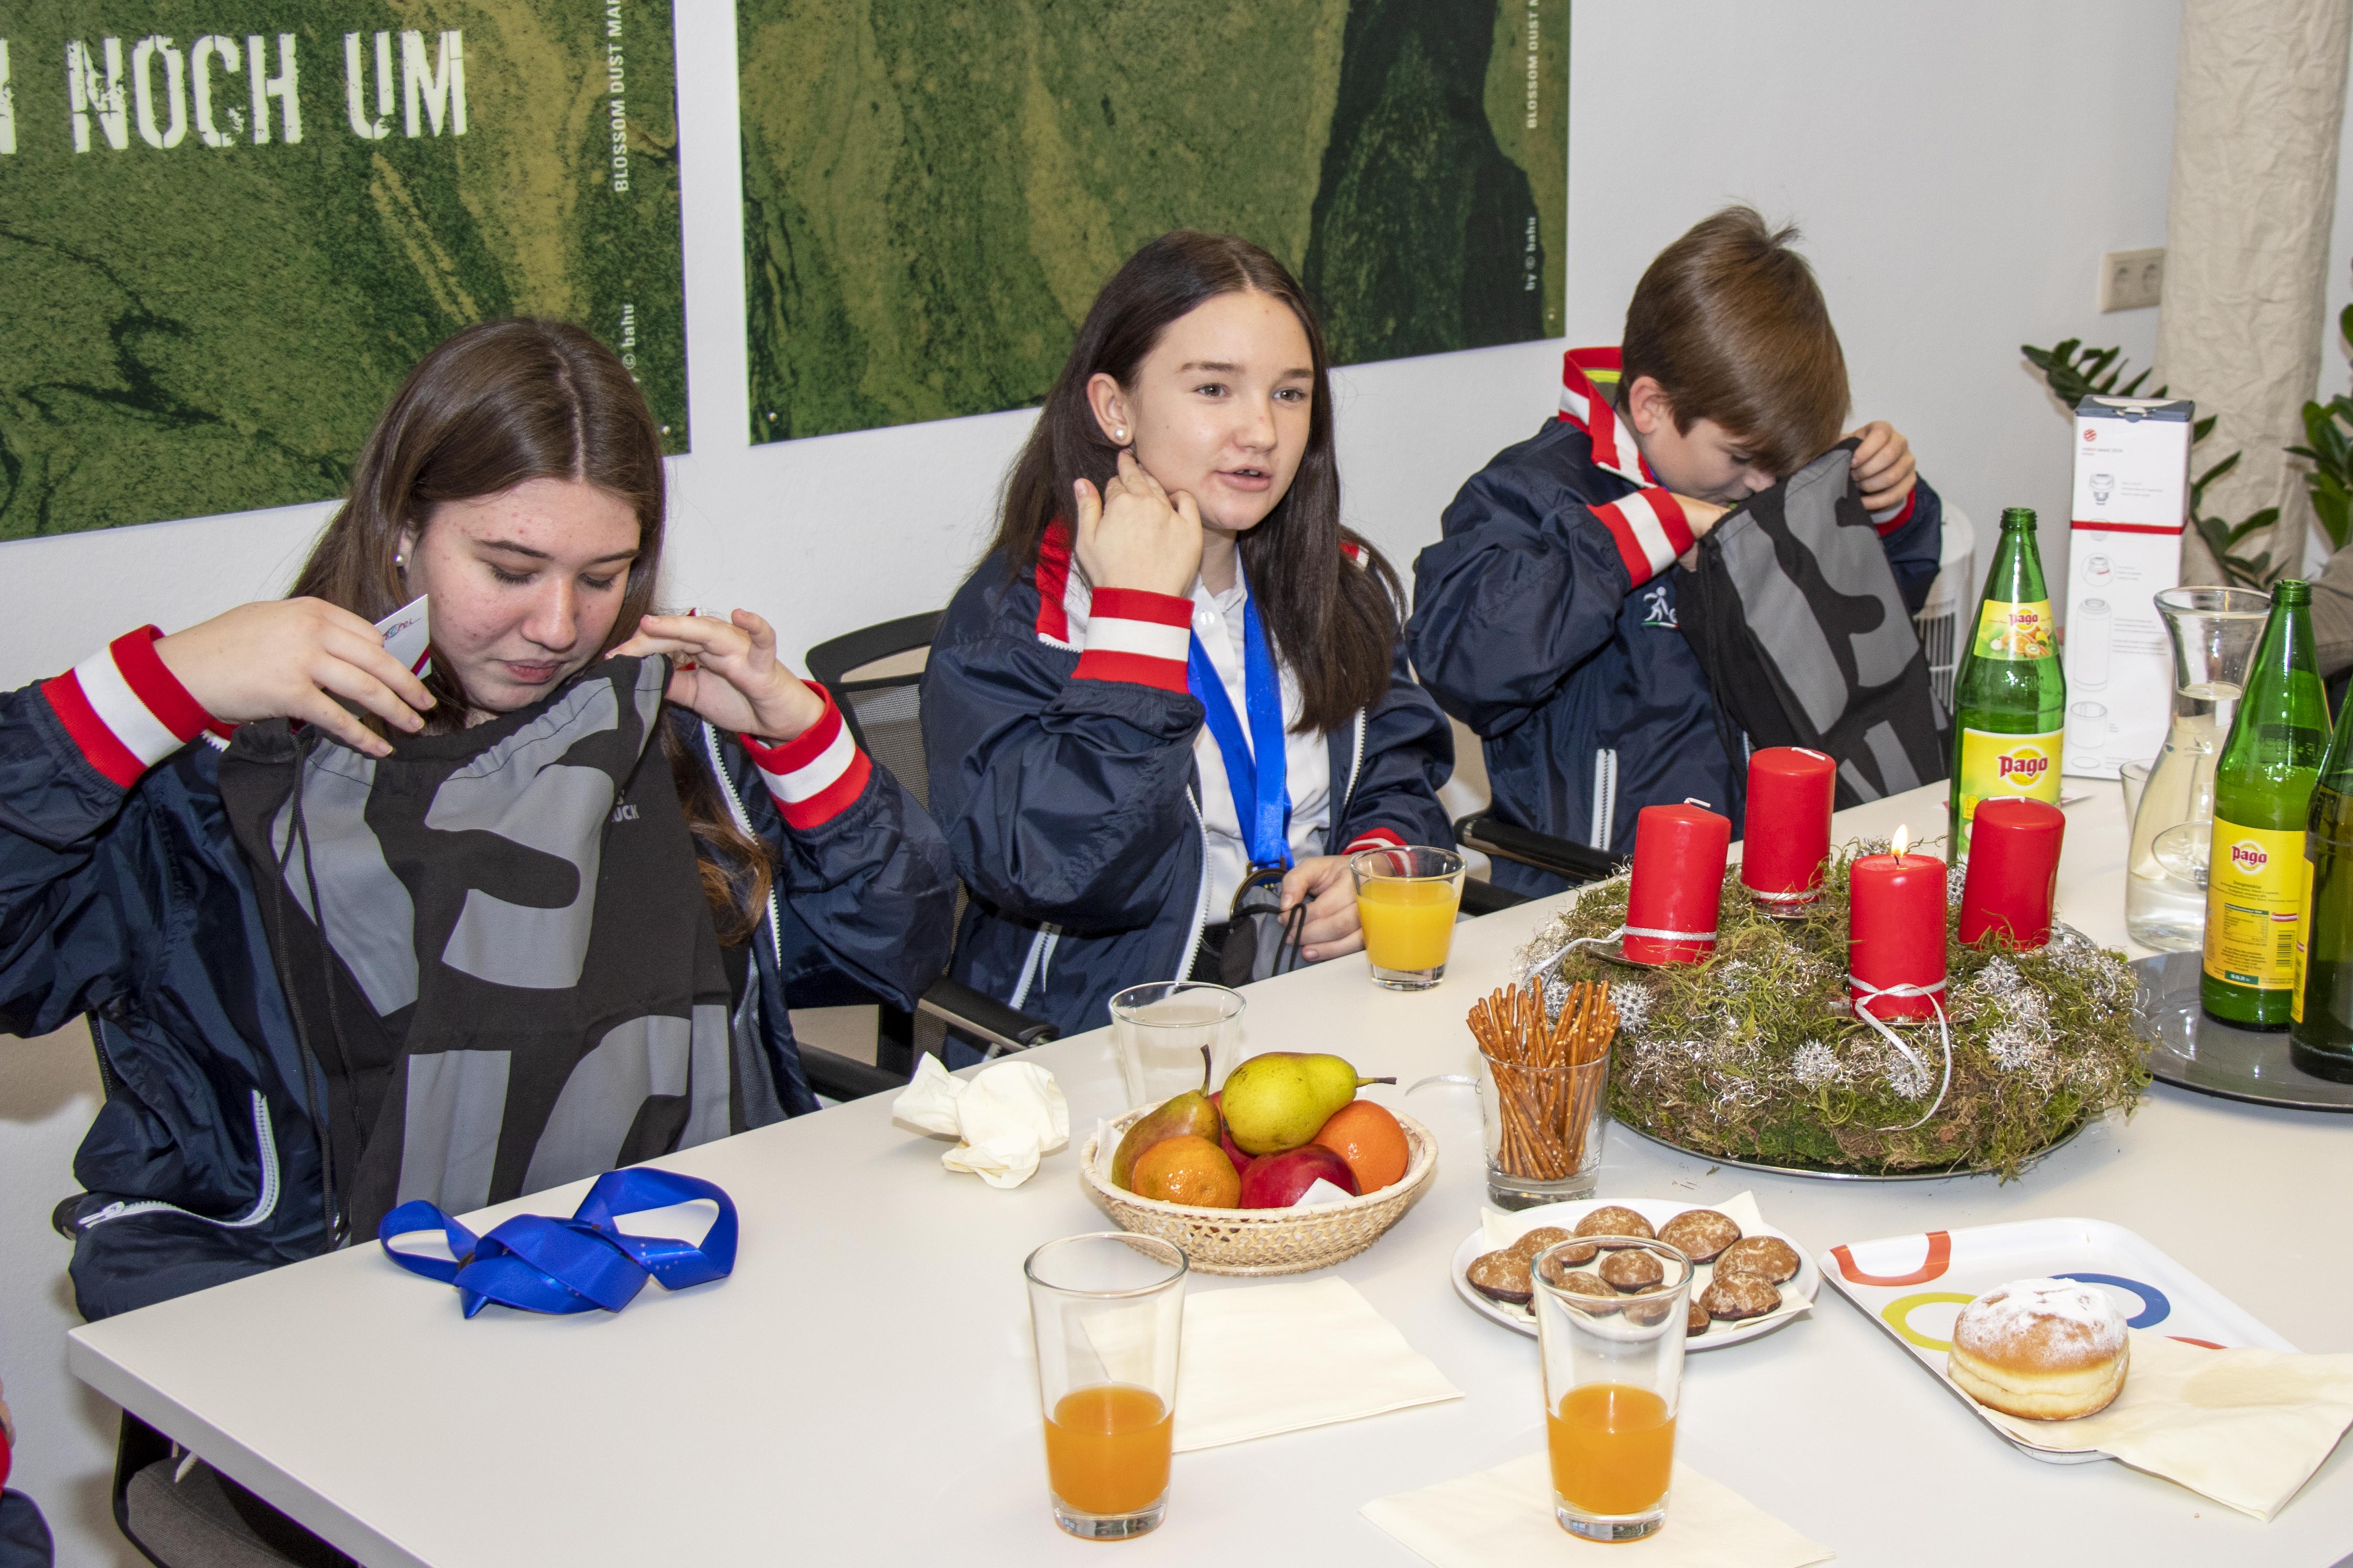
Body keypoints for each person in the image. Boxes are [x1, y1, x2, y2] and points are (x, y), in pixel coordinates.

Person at [0, 319, 957, 1323]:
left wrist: (801, 738)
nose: (555, 625)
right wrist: (154, 688)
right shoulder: (220, 782)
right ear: (401, 528)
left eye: (602, 577)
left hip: (676, 1290)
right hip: (312, 1323)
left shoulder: (664, 735)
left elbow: (894, 949)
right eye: (508, 569)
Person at [922, 231, 1454, 1041]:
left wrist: (1375, 862)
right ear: (1115, 407)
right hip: (1101, 1042)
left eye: (1289, 394)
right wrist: (1136, 623)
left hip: (1316, 1009)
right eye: (1214, 389)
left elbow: (1398, 765)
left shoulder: (1334, 580)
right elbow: (1059, 869)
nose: (1261, 433)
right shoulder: (1017, 615)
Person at [1408, 208, 1946, 895]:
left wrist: (1890, 511)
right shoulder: (1529, 494)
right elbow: (1465, 658)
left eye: (1787, 465)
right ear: (1653, 406)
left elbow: (1870, 633)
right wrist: (1640, 532)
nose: (1764, 486)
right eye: (1744, 457)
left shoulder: (1761, 483)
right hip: (1596, 910)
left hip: (1765, 900)